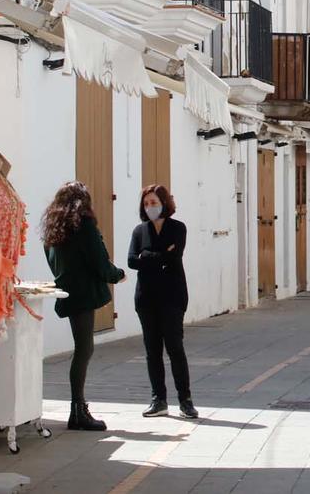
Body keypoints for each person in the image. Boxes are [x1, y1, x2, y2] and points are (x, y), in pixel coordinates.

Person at [42, 181, 125, 431]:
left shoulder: (54, 231)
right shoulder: (84, 226)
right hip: (84, 294)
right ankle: (78, 410)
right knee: (84, 349)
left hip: (68, 292)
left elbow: (54, 261)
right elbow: (100, 260)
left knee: (82, 348)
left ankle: (78, 409)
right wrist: (117, 274)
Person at [128, 185, 196, 420]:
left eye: (154, 202)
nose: (150, 207)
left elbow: (174, 256)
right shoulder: (140, 231)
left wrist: (146, 256)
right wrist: (157, 257)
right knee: (152, 350)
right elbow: (131, 261)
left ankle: (185, 400)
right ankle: (159, 399)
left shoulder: (178, 228)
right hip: (146, 298)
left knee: (175, 347)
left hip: (172, 296)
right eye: (146, 203)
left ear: (164, 203)